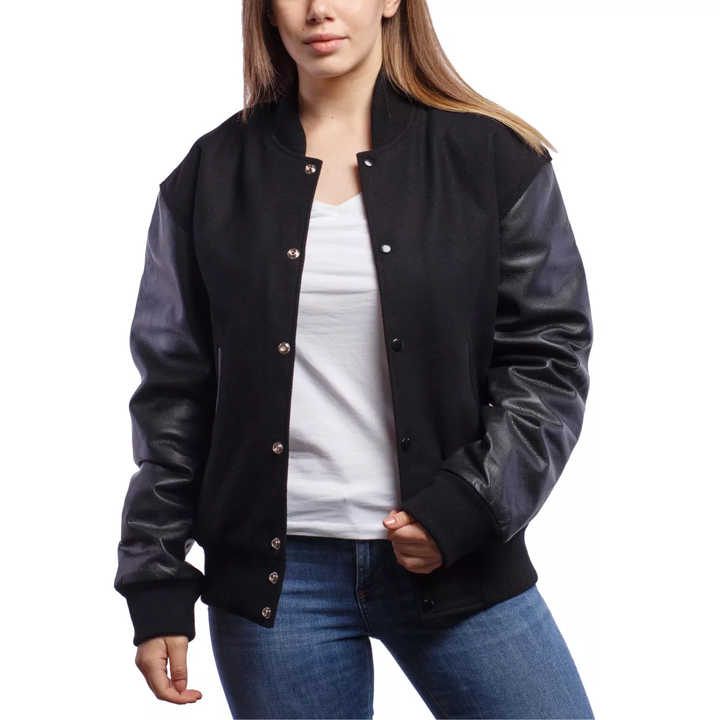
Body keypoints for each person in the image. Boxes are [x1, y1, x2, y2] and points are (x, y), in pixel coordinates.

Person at [114, 1, 595, 717]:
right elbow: (174, 392)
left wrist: (467, 505)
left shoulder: (492, 157)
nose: (318, 10)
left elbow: (548, 356)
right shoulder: (210, 174)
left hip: (457, 558)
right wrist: (155, 578)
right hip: (277, 586)